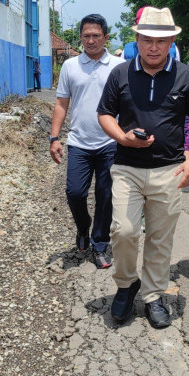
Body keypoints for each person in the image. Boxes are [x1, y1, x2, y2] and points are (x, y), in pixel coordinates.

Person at [97, 6, 189, 328]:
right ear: (138, 39)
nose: (154, 47)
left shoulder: (187, 75)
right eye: (147, 40)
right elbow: (105, 112)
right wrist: (122, 137)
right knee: (124, 231)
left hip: (169, 169)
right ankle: (126, 283)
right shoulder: (120, 73)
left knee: (160, 238)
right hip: (127, 167)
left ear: (172, 40)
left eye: (161, 40)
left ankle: (153, 295)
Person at [49, 14, 125, 269]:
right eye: (86, 36)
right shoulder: (70, 66)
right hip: (79, 142)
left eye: (96, 35)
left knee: (106, 196)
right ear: (80, 38)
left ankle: (100, 244)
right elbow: (61, 103)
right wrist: (54, 137)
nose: (91, 40)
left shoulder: (119, 65)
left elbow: (127, 103)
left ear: (105, 37)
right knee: (75, 192)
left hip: (110, 142)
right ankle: (83, 227)